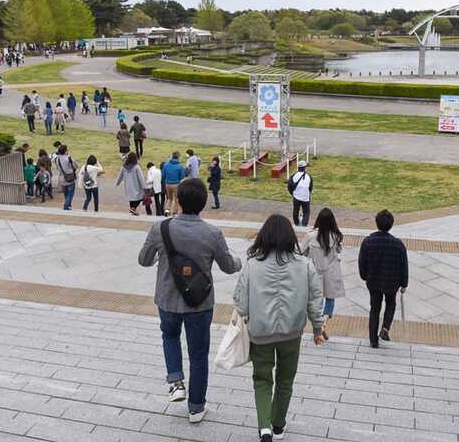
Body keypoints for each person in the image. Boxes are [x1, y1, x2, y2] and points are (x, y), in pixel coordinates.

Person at [138, 178, 242, 423]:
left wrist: (158, 257)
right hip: (200, 303)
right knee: (198, 354)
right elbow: (228, 266)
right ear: (203, 204)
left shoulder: (160, 228)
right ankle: (196, 407)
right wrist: (238, 261)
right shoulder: (212, 233)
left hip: (167, 300)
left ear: (179, 201)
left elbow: (143, 259)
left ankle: (175, 382)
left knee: (170, 336)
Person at [233, 214, 325, 442]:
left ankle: (264, 427)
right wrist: (317, 328)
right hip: (291, 333)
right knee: (286, 380)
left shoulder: (252, 265)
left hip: (260, 332)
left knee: (262, 379)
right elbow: (315, 299)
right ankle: (278, 425)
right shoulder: (304, 265)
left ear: (263, 237)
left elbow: (241, 305)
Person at [358, 210, 408, 348]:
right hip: (392, 281)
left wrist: (364, 276)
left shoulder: (368, 242)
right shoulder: (398, 244)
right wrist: (404, 283)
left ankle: (373, 339)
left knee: (375, 308)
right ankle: (385, 329)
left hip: (373, 280)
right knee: (391, 303)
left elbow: (362, 262)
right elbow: (404, 265)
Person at [303, 208, 345, 339]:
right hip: (332, 271)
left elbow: (301, 251)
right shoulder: (336, 235)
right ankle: (324, 322)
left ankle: (318, 323)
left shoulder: (310, 236)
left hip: (316, 271)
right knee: (330, 299)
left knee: (316, 299)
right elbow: (339, 250)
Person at [288, 161, 313, 227]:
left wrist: (292, 194)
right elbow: (310, 188)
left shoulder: (293, 176)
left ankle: (296, 223)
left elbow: (289, 186)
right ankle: (304, 225)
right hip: (305, 197)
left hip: (296, 196)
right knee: (306, 212)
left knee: (296, 210)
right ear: (304, 168)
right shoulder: (309, 176)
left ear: (298, 167)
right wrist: (307, 194)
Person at [53, 145, 78, 210]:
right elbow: (75, 166)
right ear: (65, 151)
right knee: (70, 194)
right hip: (69, 178)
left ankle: (68, 205)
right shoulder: (68, 158)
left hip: (61, 177)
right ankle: (66, 206)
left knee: (66, 194)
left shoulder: (56, 159)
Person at [163, 151, 186, 216]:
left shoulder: (166, 164)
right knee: (175, 199)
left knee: (169, 198)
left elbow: (163, 175)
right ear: (178, 157)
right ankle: (173, 212)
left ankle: (167, 210)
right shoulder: (180, 166)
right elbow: (182, 177)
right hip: (176, 184)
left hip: (167, 184)